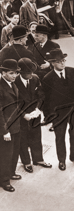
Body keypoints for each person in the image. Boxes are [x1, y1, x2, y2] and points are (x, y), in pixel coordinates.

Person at [42, 49, 74, 171]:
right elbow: (46, 100)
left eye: (63, 60)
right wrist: (48, 117)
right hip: (58, 114)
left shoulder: (72, 71)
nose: (62, 63)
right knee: (60, 137)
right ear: (52, 63)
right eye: (59, 61)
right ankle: (61, 160)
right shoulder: (47, 78)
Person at [15, 58, 52, 173]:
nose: (31, 74)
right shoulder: (14, 82)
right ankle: (26, 162)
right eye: (27, 73)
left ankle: (38, 159)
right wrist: (23, 114)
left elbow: (41, 95)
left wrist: (38, 109)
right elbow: (13, 103)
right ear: (20, 73)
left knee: (36, 137)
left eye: (31, 71)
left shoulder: (35, 78)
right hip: (21, 116)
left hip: (35, 114)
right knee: (23, 139)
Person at [0, 60, 22, 192]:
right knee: (5, 155)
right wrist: (4, 131)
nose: (14, 76)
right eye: (11, 73)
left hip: (16, 124)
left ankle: (11, 172)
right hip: (6, 128)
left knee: (14, 152)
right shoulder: (1, 87)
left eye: (16, 73)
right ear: (3, 73)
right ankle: (4, 181)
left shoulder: (12, 84)